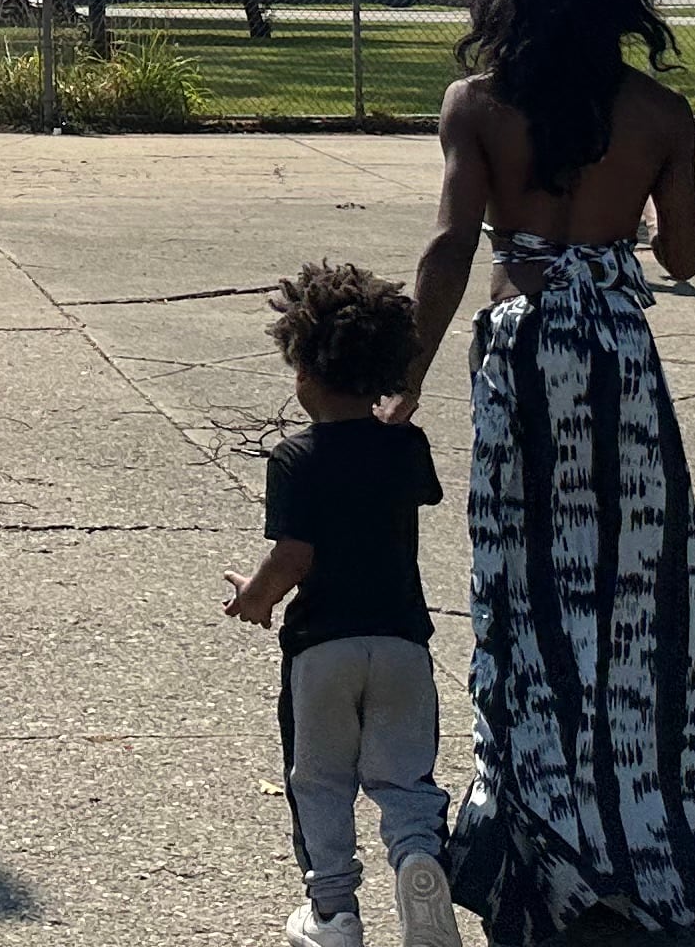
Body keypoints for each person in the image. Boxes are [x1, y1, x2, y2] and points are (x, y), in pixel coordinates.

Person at [389, 0, 695, 945]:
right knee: (634, 587)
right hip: (618, 356)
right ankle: (635, 819)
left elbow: (450, 249)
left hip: (523, 348)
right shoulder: (662, 112)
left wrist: (404, 383)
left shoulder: (478, 106)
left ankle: (536, 825)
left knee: (526, 580)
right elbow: (683, 260)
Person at [225, 262, 462, 947]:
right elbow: (403, 481)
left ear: (303, 373)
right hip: (401, 644)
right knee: (404, 773)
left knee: (321, 778)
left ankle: (333, 912)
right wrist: (390, 421)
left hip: (322, 647)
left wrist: (256, 597)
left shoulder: (295, 458)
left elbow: (295, 555)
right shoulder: (405, 447)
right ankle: (418, 857)